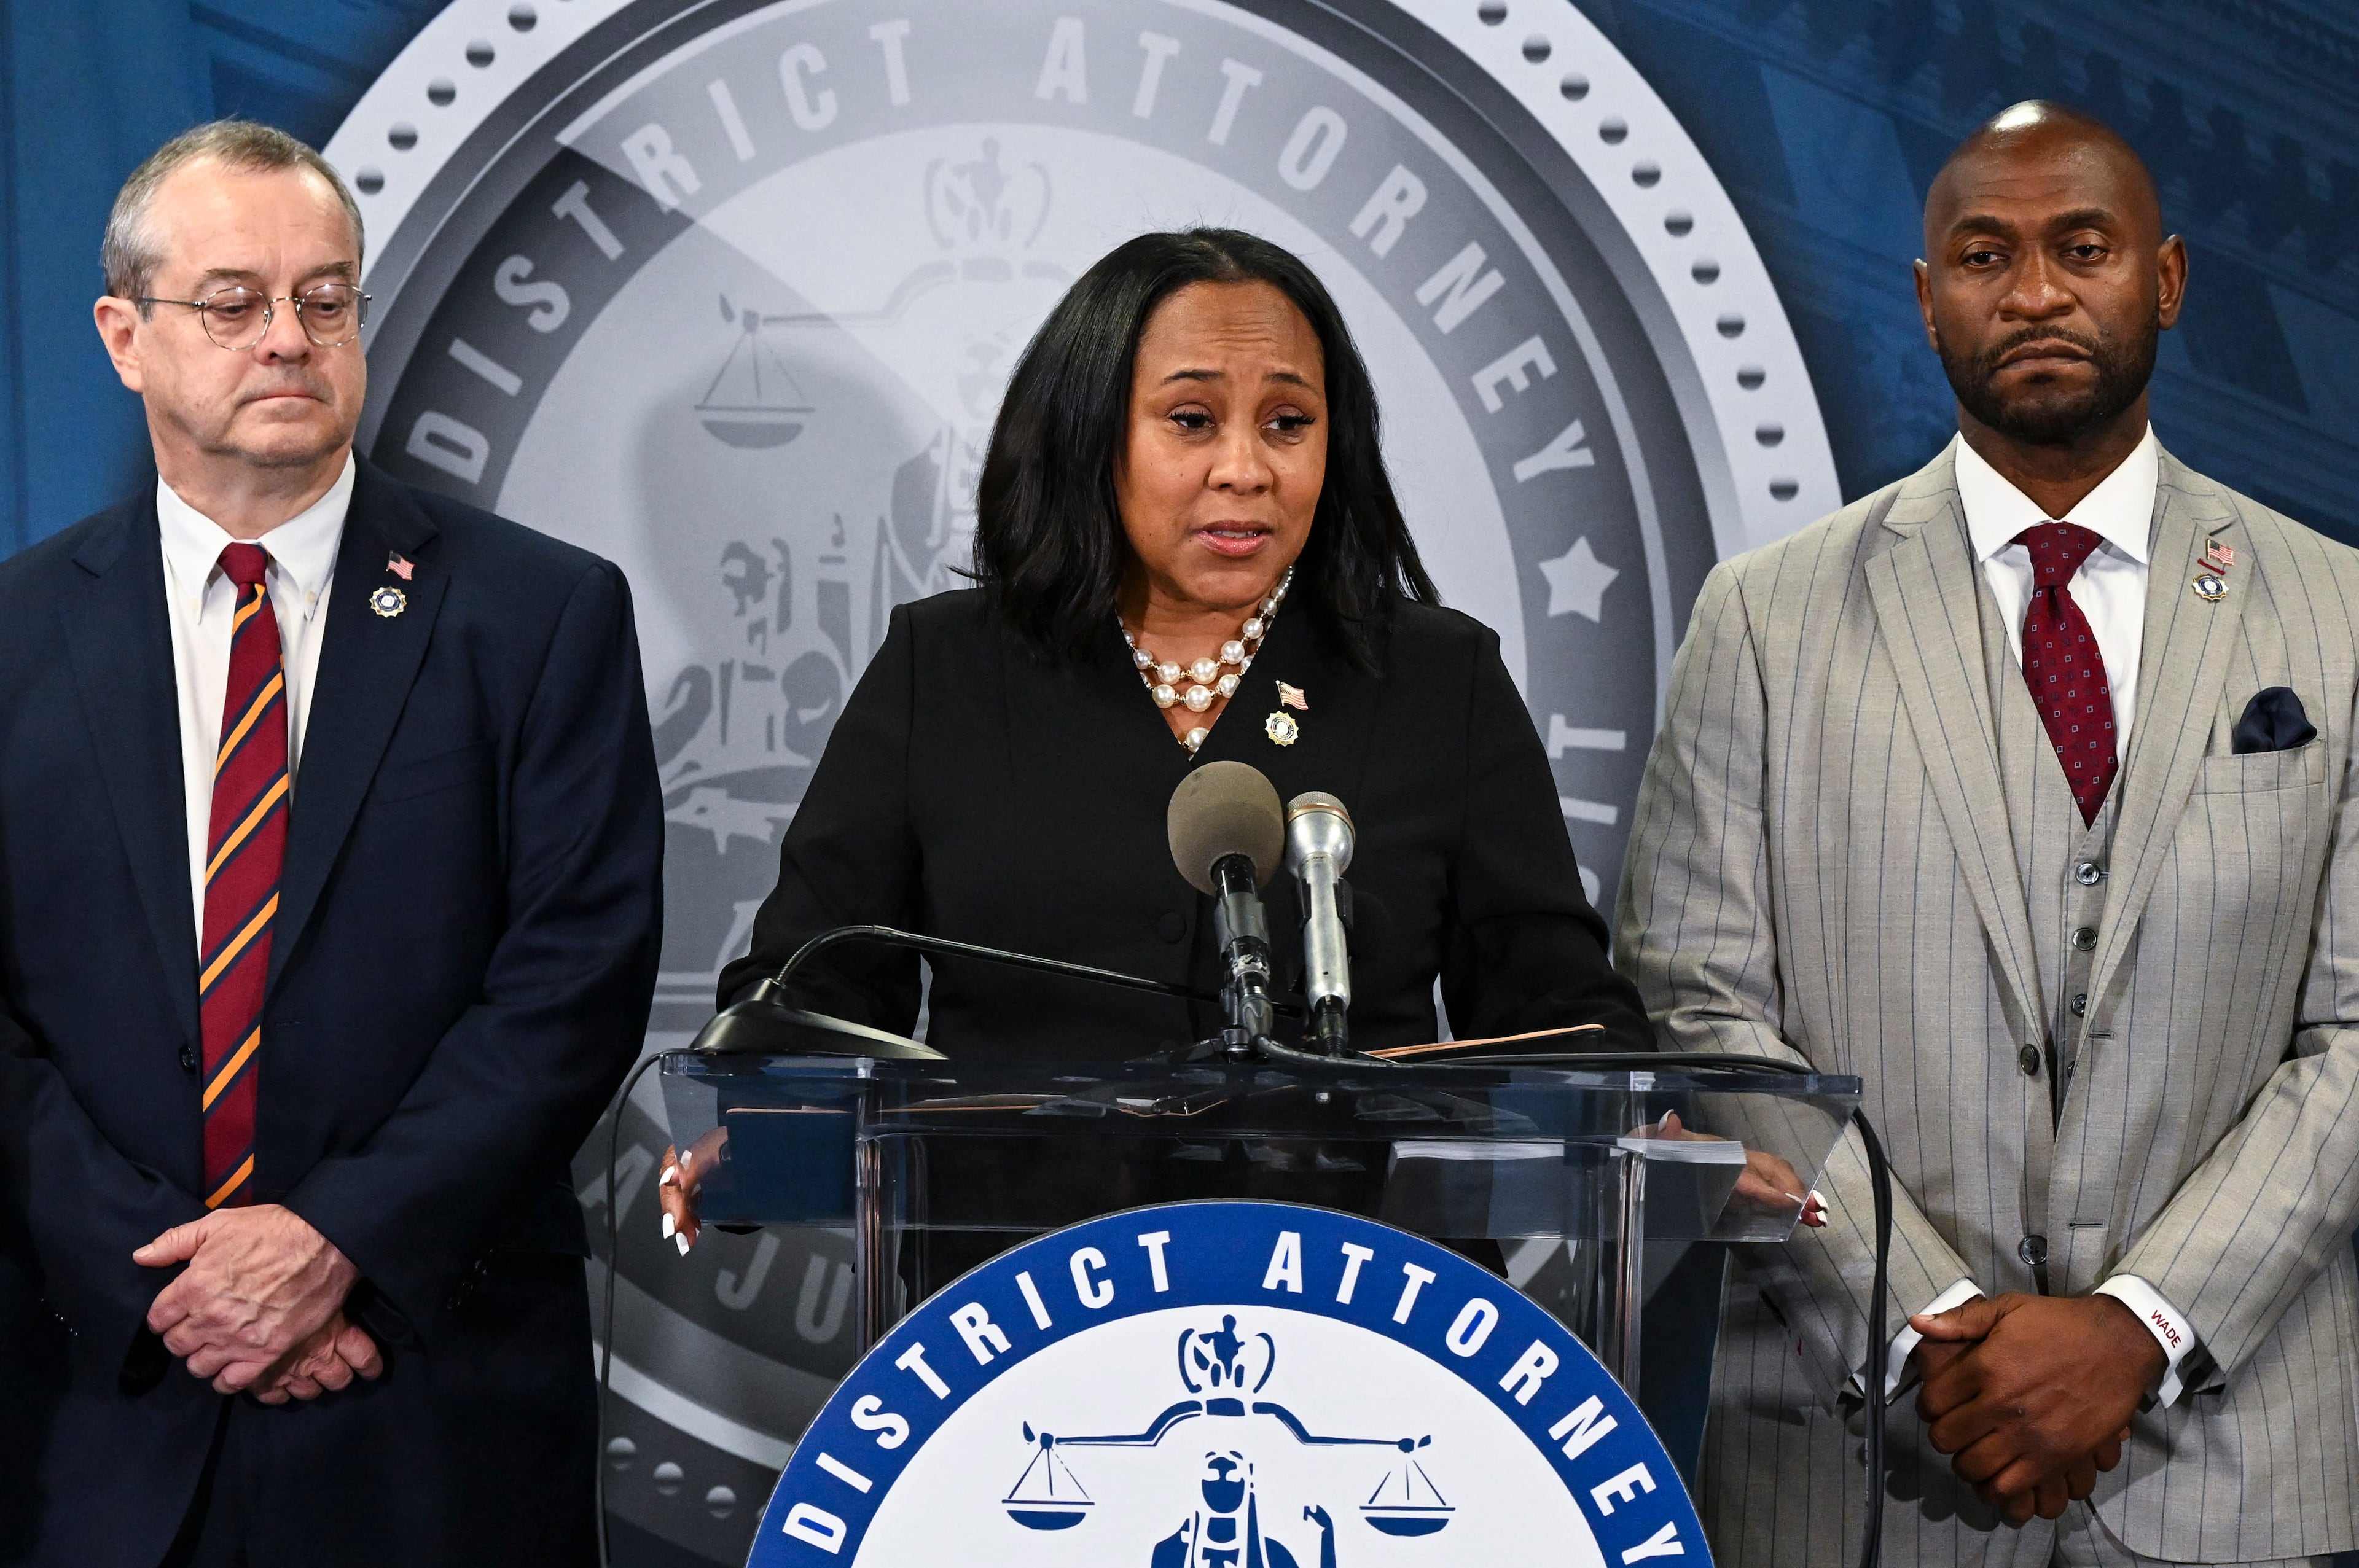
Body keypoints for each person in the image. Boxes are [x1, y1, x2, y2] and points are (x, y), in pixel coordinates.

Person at [1617, 100, 2359, 1566]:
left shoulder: (2340, 611)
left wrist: (2138, 1326)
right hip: (1861, 1460)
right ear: (1923, 295)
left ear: (2168, 278)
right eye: (1984, 254)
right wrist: (1930, 1327)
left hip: (2236, 1468)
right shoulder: (1763, 617)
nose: (2032, 293)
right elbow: (1696, 1003)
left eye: (2081, 247)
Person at [659, 226, 1652, 1252]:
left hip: (1368, 1313)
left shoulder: (1439, 681)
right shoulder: (947, 669)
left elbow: (1563, 1016)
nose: (1245, 468)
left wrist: (1656, 1132)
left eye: (1287, 422)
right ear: (1093, 434)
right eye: (1190, 419)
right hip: (1016, 1309)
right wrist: (766, 1128)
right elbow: (810, 985)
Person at [0, 121, 663, 1566]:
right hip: (97, 1402)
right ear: (124, 336)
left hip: (430, 1392)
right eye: (233, 303)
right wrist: (181, 1283)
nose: (288, 339)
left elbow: (575, 977)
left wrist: (335, 1242)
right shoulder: (11, 636)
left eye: (325, 298)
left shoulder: (538, 617)